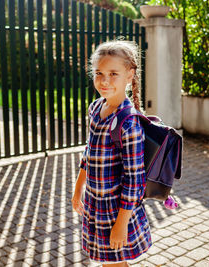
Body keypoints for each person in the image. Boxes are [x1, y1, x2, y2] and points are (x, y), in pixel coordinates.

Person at [71, 39, 152, 267]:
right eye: (99, 73)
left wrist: (122, 223)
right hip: (95, 203)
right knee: (110, 263)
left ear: (129, 75)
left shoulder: (129, 123)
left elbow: (135, 180)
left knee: (114, 264)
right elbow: (89, 153)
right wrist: (79, 189)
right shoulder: (96, 108)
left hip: (116, 211)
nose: (104, 81)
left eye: (113, 73)